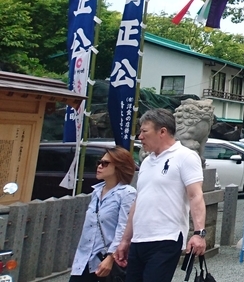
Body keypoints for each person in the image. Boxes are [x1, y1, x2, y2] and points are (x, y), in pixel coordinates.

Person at [113, 109, 206, 282]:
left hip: (166, 237)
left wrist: (199, 233)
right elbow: (138, 202)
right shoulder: (147, 162)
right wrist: (125, 240)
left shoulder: (186, 156)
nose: (140, 136)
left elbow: (196, 196)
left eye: (144, 131)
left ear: (162, 131)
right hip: (139, 239)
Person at [70, 147, 137, 282]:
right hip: (83, 259)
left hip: (105, 260)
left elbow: (123, 228)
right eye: (99, 162)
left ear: (119, 167)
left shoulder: (126, 193)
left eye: (105, 163)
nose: (99, 166)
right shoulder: (96, 191)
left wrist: (110, 257)